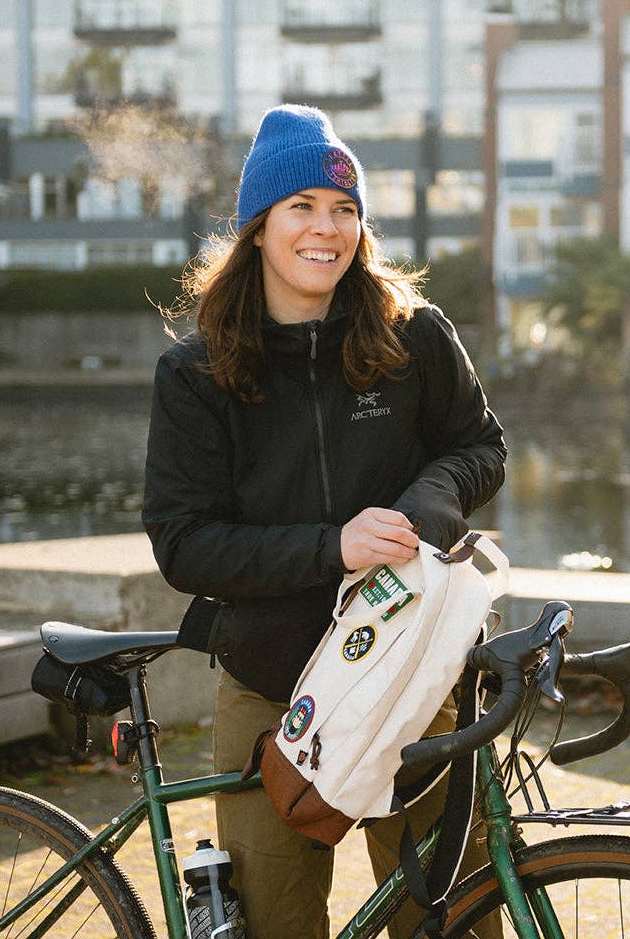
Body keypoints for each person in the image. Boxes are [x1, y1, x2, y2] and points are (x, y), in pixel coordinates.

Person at [142, 104, 505, 939]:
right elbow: (183, 543)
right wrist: (332, 547)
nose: (326, 228)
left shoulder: (413, 336)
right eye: (302, 206)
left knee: (454, 920)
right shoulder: (195, 372)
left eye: (345, 209)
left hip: (410, 681)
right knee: (276, 926)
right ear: (260, 225)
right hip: (272, 696)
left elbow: (480, 447)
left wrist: (427, 503)